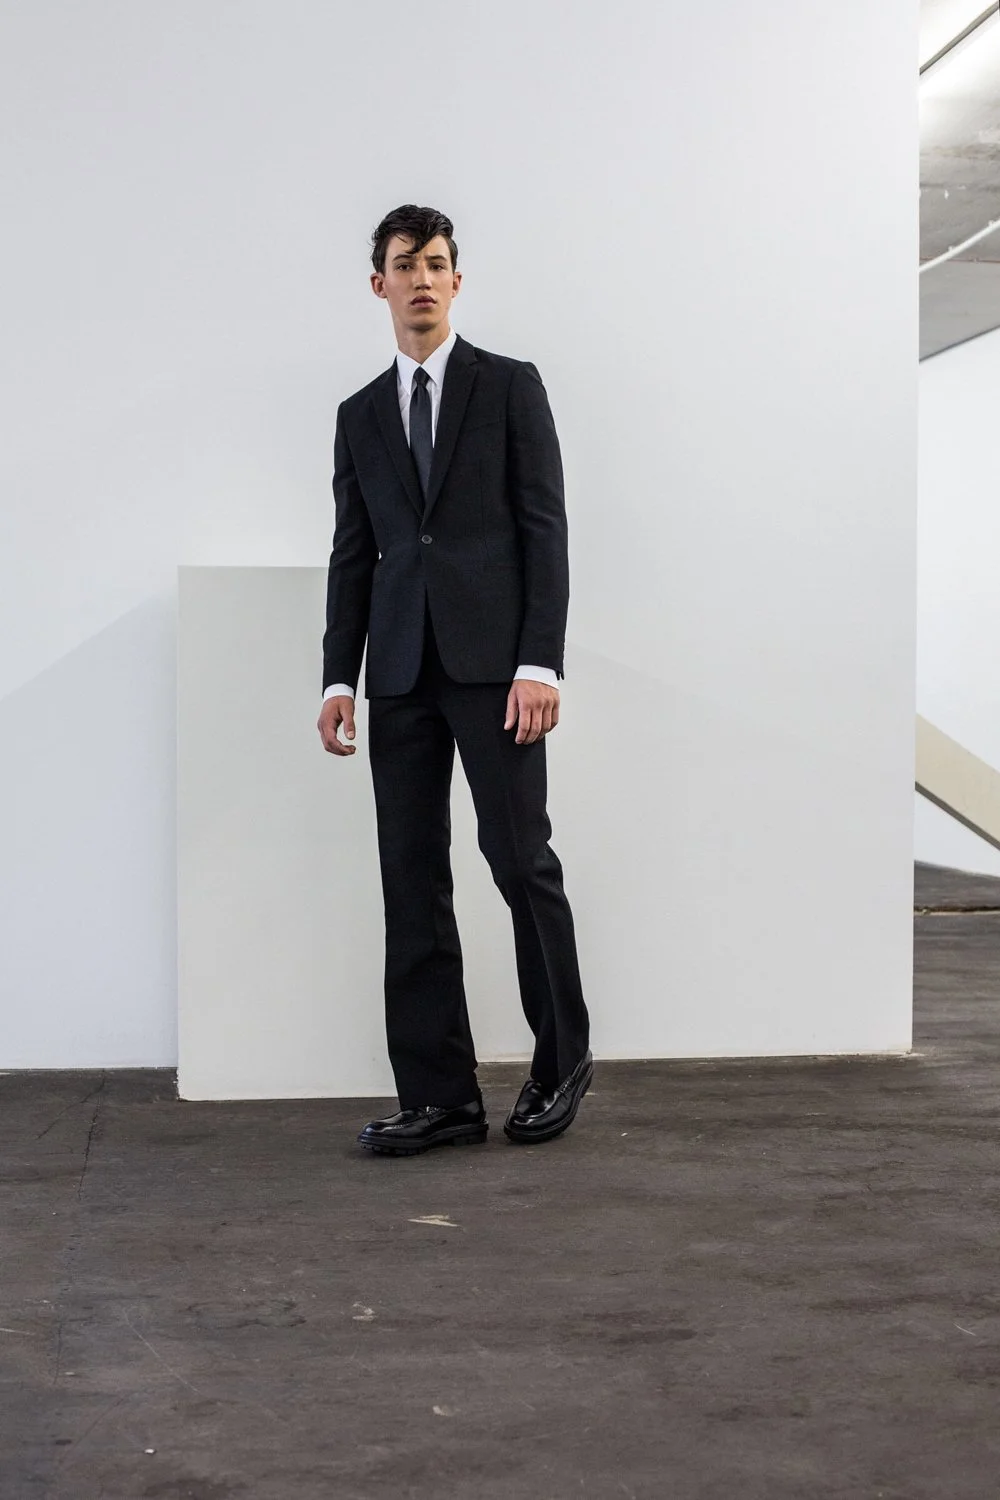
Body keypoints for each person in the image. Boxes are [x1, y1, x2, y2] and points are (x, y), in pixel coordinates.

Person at [316, 204, 591, 1156]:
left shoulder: (509, 387)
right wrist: (335, 679)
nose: (422, 277)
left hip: (495, 670)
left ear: (456, 282)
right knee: (412, 882)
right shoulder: (359, 415)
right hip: (396, 675)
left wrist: (540, 661)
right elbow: (355, 555)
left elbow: (544, 528)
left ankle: (560, 1066)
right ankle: (442, 1096)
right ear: (379, 285)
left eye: (437, 262)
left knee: (520, 862)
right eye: (405, 264)